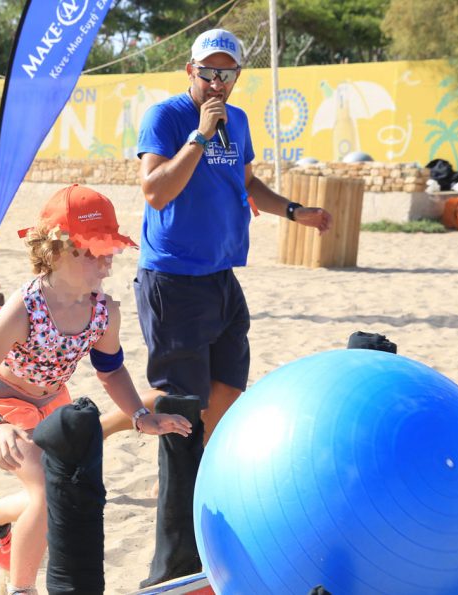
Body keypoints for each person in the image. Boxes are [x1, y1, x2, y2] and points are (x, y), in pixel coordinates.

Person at [119, 28, 333, 587]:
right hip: (173, 281)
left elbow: (247, 184)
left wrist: (295, 211)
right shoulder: (166, 117)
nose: (217, 82)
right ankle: (173, 569)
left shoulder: (237, 121)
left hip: (221, 279)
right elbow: (155, 191)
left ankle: (214, 524)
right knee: (181, 421)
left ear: (237, 77)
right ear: (189, 71)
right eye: (208, 72)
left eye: (227, 73)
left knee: (227, 405)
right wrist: (198, 135)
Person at [0, 184, 193, 595]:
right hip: (3, 405)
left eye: (109, 251)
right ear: (56, 252)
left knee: (59, 491)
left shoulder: (103, 311)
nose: (106, 264)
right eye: (93, 252)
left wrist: (141, 416)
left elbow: (111, 372)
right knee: (46, 490)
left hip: (54, 405)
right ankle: (21, 588)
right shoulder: (24, 309)